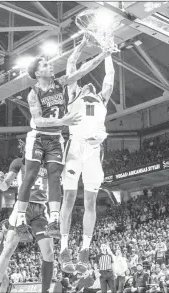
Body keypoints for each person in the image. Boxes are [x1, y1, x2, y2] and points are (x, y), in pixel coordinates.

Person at [14, 35, 110, 239]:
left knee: (55, 177)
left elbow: (84, 69)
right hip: (39, 136)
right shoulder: (33, 94)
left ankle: (54, 221)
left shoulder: (60, 83)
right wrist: (63, 122)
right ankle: (21, 219)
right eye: (46, 65)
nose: (50, 67)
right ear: (38, 72)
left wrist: (102, 53)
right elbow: (38, 120)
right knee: (30, 175)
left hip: (56, 138)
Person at [60, 35, 115, 273]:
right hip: (74, 147)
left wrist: (109, 53)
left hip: (93, 150)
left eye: (93, 84)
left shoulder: (101, 98)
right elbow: (71, 66)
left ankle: (84, 249)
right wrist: (81, 45)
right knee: (70, 198)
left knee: (90, 200)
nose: (90, 83)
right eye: (85, 82)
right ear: (81, 85)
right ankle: (64, 248)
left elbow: (109, 78)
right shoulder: (75, 95)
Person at [0, 141, 54, 293]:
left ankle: (45, 290)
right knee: (8, 248)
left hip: (40, 209)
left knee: (49, 252)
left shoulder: (48, 163)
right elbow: (5, 186)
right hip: (22, 208)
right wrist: (0, 182)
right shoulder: (19, 162)